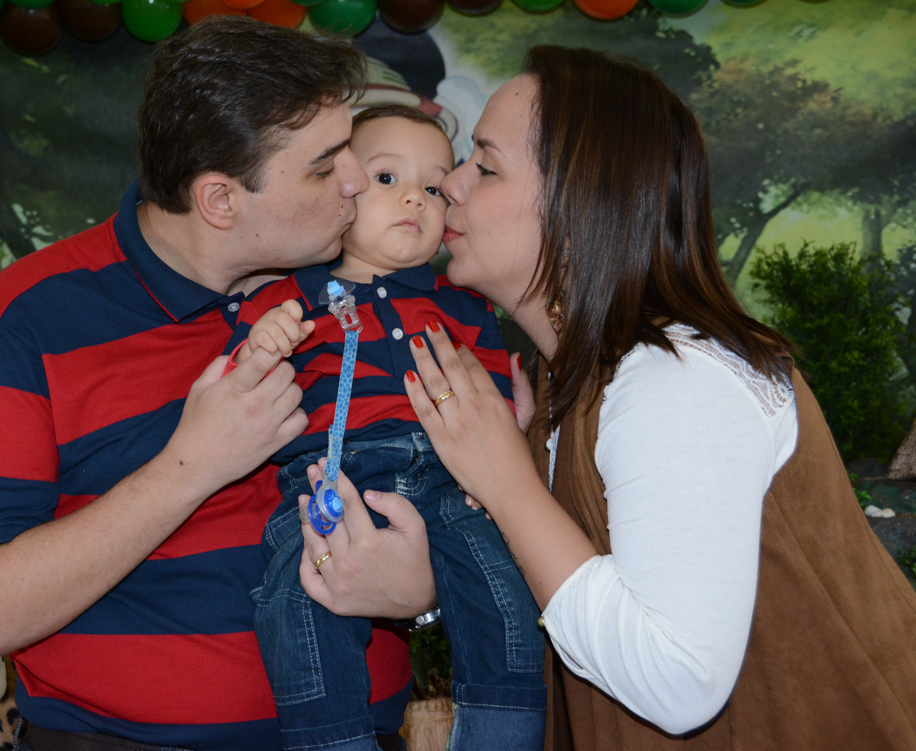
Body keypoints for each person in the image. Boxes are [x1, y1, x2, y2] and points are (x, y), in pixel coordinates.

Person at [0, 17, 439, 751]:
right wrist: (189, 467)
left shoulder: (375, 288)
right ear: (220, 200)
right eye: (326, 166)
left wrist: (423, 592)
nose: (357, 181)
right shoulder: (27, 319)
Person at [385, 44, 916, 750]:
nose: (450, 185)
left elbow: (679, 680)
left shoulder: (678, 379)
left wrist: (507, 484)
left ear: (580, 209)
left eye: (485, 165)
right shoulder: (566, 379)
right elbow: (585, 583)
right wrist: (421, 586)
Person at [228, 105, 546, 750]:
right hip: (327, 483)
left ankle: (502, 732)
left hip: (449, 482)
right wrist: (260, 345)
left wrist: (514, 425)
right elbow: (239, 388)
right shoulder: (287, 297)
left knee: (505, 594)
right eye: (385, 178)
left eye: (433, 187)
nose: (413, 198)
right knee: (296, 601)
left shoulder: (463, 302)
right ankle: (331, 740)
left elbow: (488, 405)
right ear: (341, 191)